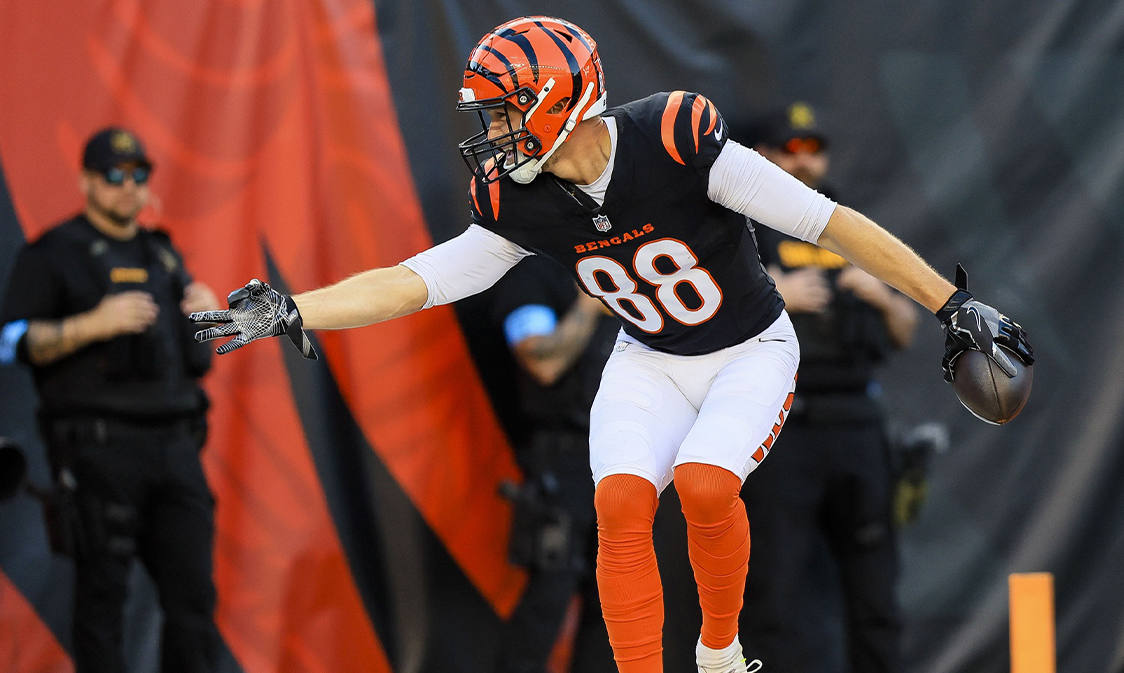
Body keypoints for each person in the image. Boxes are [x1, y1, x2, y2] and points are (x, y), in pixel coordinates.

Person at [189, 16, 1033, 673]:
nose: (490, 133)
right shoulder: (519, 201)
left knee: (705, 484)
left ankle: (719, 652)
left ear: (557, 102)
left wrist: (951, 303)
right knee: (622, 509)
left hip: (750, 350)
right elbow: (418, 280)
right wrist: (296, 308)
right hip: (649, 360)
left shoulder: (675, 138)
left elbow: (831, 223)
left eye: (502, 113)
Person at [0, 128, 225, 673]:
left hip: (176, 448)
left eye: (139, 175)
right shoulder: (54, 253)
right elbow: (8, 342)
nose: (128, 186)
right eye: (114, 176)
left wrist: (210, 316)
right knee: (103, 601)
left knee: (193, 600)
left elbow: (192, 354)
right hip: (99, 453)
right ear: (86, 182)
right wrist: (90, 325)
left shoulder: (162, 254)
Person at [738, 102, 919, 673]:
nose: (804, 161)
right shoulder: (737, 226)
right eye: (790, 149)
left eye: (813, 149)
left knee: (876, 588)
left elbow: (906, 332)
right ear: (762, 156)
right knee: (772, 589)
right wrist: (776, 295)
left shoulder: (850, 226)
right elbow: (698, 314)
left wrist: (883, 298)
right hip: (779, 426)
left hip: (856, 422)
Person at [489, 255, 617, 673]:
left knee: (617, 604)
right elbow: (542, 362)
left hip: (629, 460)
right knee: (550, 593)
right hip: (565, 458)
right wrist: (588, 306)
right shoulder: (535, 272)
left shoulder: (631, 267)